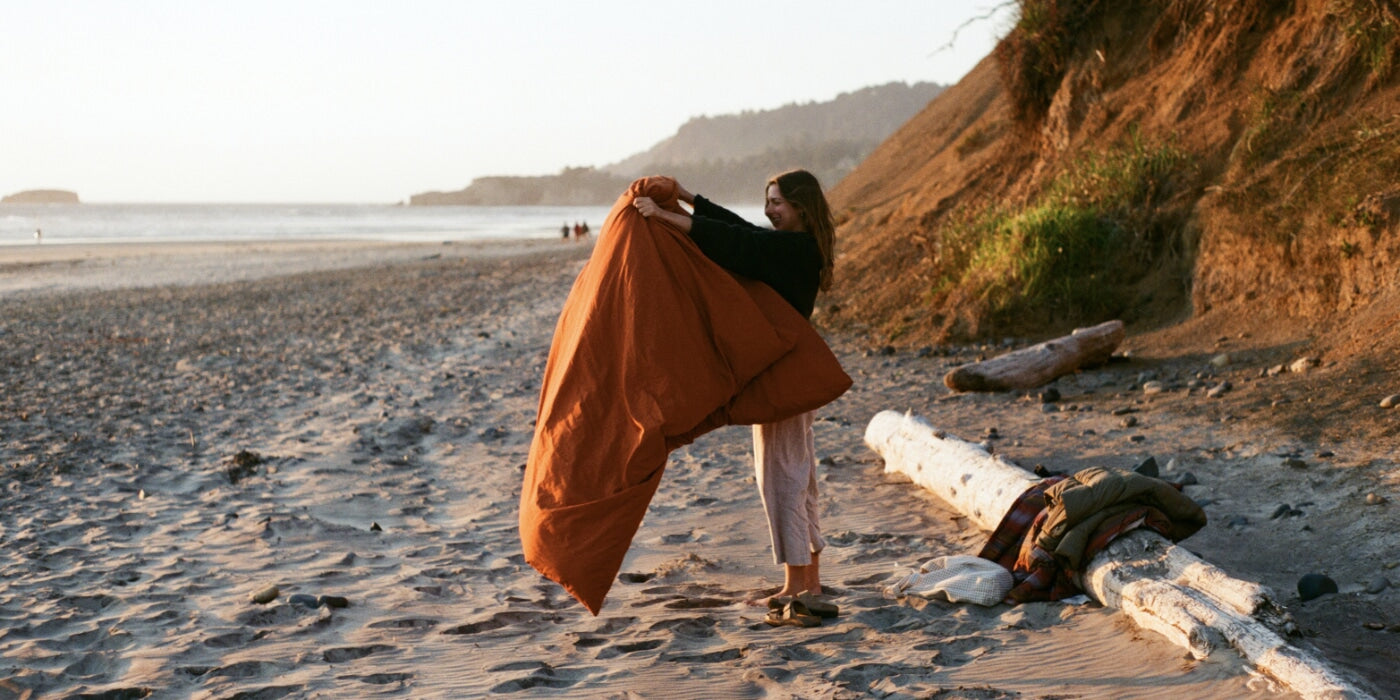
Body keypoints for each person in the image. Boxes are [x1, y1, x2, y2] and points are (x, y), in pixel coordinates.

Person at [634, 169, 839, 624]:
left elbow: (740, 245)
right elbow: (743, 231)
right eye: (767, 201)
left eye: (777, 203)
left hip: (784, 377)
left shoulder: (795, 249)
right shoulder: (799, 245)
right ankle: (807, 580)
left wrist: (670, 219)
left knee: (781, 477)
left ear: (801, 207)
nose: (769, 211)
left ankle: (800, 583)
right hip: (791, 375)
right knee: (798, 477)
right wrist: (686, 197)